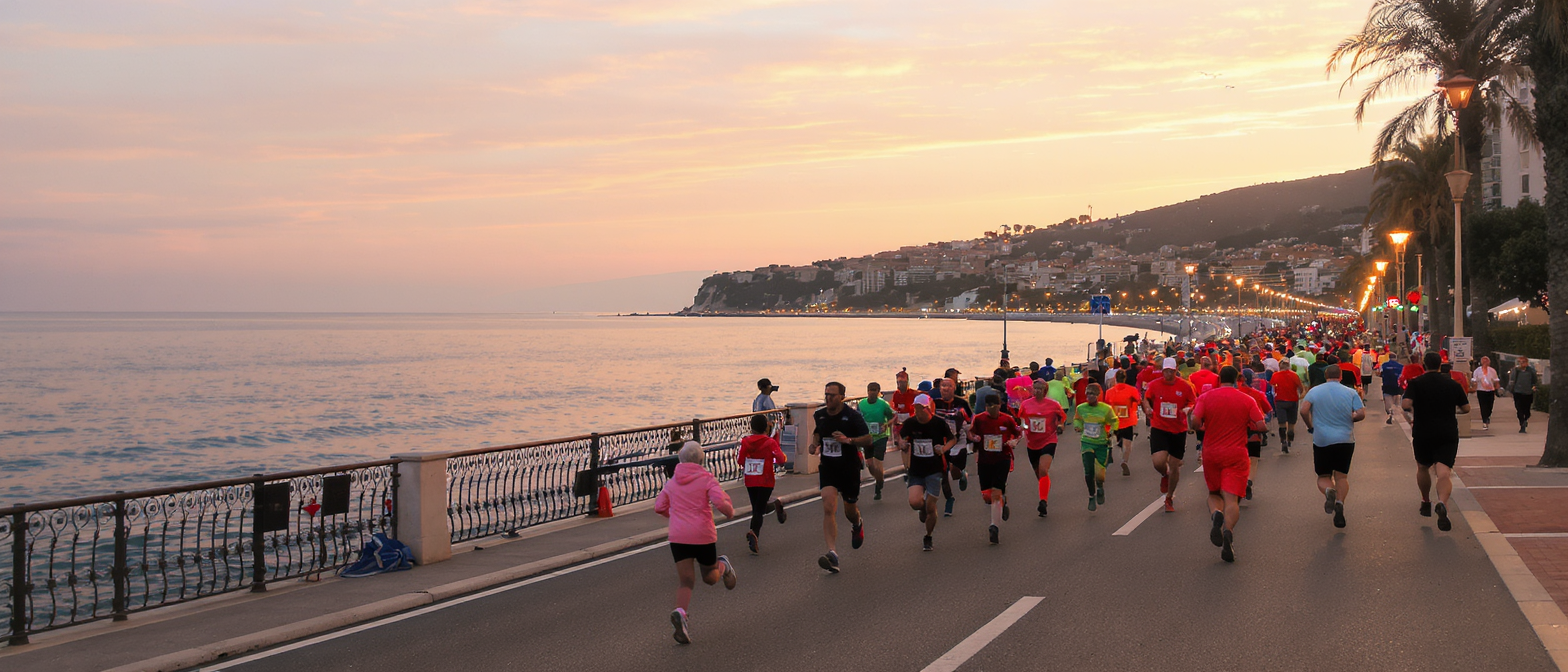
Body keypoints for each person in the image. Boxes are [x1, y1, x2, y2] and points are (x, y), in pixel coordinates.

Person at [656, 442, 737, 644]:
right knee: (710, 577)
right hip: (702, 535)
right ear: (702, 460)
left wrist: (675, 517)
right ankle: (723, 565)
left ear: (680, 460)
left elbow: (659, 506)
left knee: (686, 581)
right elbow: (720, 502)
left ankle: (682, 613)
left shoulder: (672, 482)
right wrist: (729, 512)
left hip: (678, 536)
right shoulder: (707, 479)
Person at [1189, 367, 1266, 563]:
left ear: (1219, 379)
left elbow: (1195, 421)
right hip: (1236, 453)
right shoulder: (1246, 400)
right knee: (1232, 500)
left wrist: (1200, 425)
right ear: (1237, 379)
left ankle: (1216, 514)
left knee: (1214, 494)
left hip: (1211, 452)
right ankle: (1228, 532)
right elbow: (1261, 425)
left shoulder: (1206, 397)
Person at [1401, 352, 1471, 531]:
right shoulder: (1452, 384)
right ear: (1441, 365)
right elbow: (1466, 408)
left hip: (1423, 431)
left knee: (1423, 467)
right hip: (1447, 431)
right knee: (1444, 472)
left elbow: (1405, 404)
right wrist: (1451, 411)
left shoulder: (1416, 383)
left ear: (1424, 365)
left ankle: (1426, 500)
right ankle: (1442, 503)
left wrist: (1415, 412)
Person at [809, 382, 872, 574]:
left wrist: (849, 440)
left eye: (832, 395)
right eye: (826, 394)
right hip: (828, 467)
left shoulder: (852, 417)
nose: (828, 398)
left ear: (842, 397)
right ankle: (832, 553)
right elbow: (818, 432)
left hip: (849, 468)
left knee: (849, 510)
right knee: (828, 506)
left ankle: (857, 523)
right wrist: (815, 445)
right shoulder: (819, 415)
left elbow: (868, 439)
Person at [1300, 369, 1365, 528]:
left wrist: (1310, 426)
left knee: (1323, 476)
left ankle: (1329, 490)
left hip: (1322, 439)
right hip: (1345, 439)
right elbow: (1361, 413)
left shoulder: (1314, 391)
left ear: (1325, 376)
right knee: (1342, 476)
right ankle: (1339, 503)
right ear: (1341, 376)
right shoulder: (1350, 392)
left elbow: (1303, 410)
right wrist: (1352, 418)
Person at [897, 394, 955, 551]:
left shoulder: (938, 423)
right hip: (916, 469)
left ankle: (928, 536)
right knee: (915, 502)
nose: (915, 412)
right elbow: (901, 437)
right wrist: (902, 443)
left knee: (931, 507)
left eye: (918, 409)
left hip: (934, 470)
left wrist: (943, 449)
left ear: (927, 409)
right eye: (914, 408)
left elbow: (952, 439)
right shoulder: (910, 423)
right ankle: (922, 509)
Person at [1142, 357, 1197, 512]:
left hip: (1178, 429)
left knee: (1175, 465)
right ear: (1163, 370)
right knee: (1158, 462)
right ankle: (1164, 474)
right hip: (1159, 427)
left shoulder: (1185, 386)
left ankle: (1169, 497)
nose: (1168, 374)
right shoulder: (1154, 385)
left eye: (1171, 371)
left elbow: (1192, 401)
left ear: (1175, 370)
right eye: (1166, 371)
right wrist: (1147, 408)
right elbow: (1145, 399)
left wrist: (1188, 408)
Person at [969, 395, 1021, 543]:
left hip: (1002, 459)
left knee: (996, 493)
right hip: (985, 460)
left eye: (995, 405)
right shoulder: (979, 419)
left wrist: (1013, 441)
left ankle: (994, 527)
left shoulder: (1007, 419)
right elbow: (971, 432)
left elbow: (1018, 433)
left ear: (1000, 405)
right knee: (987, 496)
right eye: (989, 406)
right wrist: (974, 438)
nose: (992, 408)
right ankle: (1002, 501)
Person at [737, 415, 789, 554]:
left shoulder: (745, 442)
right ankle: (776, 504)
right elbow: (780, 459)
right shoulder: (770, 442)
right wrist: (782, 459)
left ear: (751, 427)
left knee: (758, 509)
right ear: (765, 427)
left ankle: (754, 535)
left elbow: (740, 461)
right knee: (759, 508)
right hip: (766, 480)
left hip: (750, 480)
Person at [1018, 378, 1068, 517]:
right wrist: (1022, 429)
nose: (1037, 391)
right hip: (1032, 442)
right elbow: (1021, 420)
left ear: (1045, 391)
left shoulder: (1053, 404)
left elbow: (1061, 418)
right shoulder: (1026, 404)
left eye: (1040, 388)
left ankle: (1043, 502)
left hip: (1048, 440)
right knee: (1039, 474)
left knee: (1043, 469)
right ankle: (1044, 490)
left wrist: (1059, 425)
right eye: (1035, 388)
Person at [1074, 383, 1118, 512]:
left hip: (1101, 444)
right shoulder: (1081, 408)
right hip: (1087, 442)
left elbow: (1114, 420)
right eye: (1087, 393)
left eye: (1092, 394)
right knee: (1088, 471)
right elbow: (1077, 419)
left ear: (1098, 395)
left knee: (1100, 475)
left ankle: (1100, 487)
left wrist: (1112, 430)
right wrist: (1078, 426)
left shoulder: (1106, 409)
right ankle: (1091, 496)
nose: (1089, 396)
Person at [933, 378, 973, 517]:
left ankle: (962, 474)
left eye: (949, 386)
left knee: (954, 471)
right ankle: (949, 499)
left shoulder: (961, 403)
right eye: (943, 386)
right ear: (940, 388)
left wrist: (970, 433)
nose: (945, 388)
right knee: (943, 473)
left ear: (954, 388)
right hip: (941, 442)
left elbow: (970, 420)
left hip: (958, 440)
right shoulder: (935, 403)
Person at [1235, 369, 1273, 500]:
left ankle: (1238, 483)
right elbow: (1268, 409)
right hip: (1253, 430)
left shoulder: (1232, 394)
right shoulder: (1256, 394)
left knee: (1237, 460)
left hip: (1235, 432)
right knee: (1253, 459)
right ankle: (1249, 481)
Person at [858, 382, 896, 501]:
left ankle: (878, 487)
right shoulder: (861, 404)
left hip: (881, 437)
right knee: (870, 465)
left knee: (878, 464)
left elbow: (893, 416)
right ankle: (879, 479)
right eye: (870, 390)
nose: (872, 392)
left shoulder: (883, 404)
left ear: (878, 392)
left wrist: (886, 425)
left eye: (874, 390)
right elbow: (857, 418)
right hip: (867, 438)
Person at [1102, 370, 1142, 476]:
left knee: (1119, 439)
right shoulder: (1132, 390)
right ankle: (1124, 460)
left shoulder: (1110, 392)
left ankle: (1118, 447)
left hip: (1115, 420)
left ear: (1115, 378)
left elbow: (1107, 405)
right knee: (1127, 443)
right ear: (1125, 378)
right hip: (1128, 420)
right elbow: (1138, 401)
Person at [1270, 362, 1303, 452]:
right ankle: (1290, 434)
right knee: (1292, 421)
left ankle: (1283, 440)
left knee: (1282, 422)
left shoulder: (1275, 375)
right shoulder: (1294, 375)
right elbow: (1301, 388)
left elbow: (1272, 387)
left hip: (1280, 400)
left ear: (1280, 367)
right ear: (1289, 367)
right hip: (1293, 400)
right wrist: (1299, 395)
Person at [1509, 356, 1540, 433]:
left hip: (1528, 393)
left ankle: (1525, 419)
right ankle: (1522, 423)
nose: (1521, 364)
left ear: (1527, 363)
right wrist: (1510, 389)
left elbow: (1534, 381)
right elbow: (1512, 380)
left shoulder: (1531, 371)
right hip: (1517, 392)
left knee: (1527, 410)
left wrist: (1534, 387)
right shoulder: (1516, 371)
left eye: (1523, 362)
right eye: (1520, 362)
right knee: (1519, 409)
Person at [1472, 356, 1500, 431]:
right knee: (1483, 406)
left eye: (1486, 361)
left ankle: (1488, 416)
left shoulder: (1492, 370)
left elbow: (1496, 380)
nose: (1485, 362)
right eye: (1483, 361)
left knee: (1490, 405)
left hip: (1490, 391)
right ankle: (1485, 420)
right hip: (1481, 390)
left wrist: (1497, 387)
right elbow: (1474, 380)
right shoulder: (1477, 371)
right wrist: (1474, 387)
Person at [1379, 354, 1406, 424]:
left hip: (1387, 386)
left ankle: (1390, 414)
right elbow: (1403, 376)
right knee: (1397, 402)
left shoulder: (1384, 365)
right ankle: (1396, 415)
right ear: (1396, 358)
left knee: (1388, 402)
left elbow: (1379, 373)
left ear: (1389, 358)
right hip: (1397, 387)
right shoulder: (1401, 366)